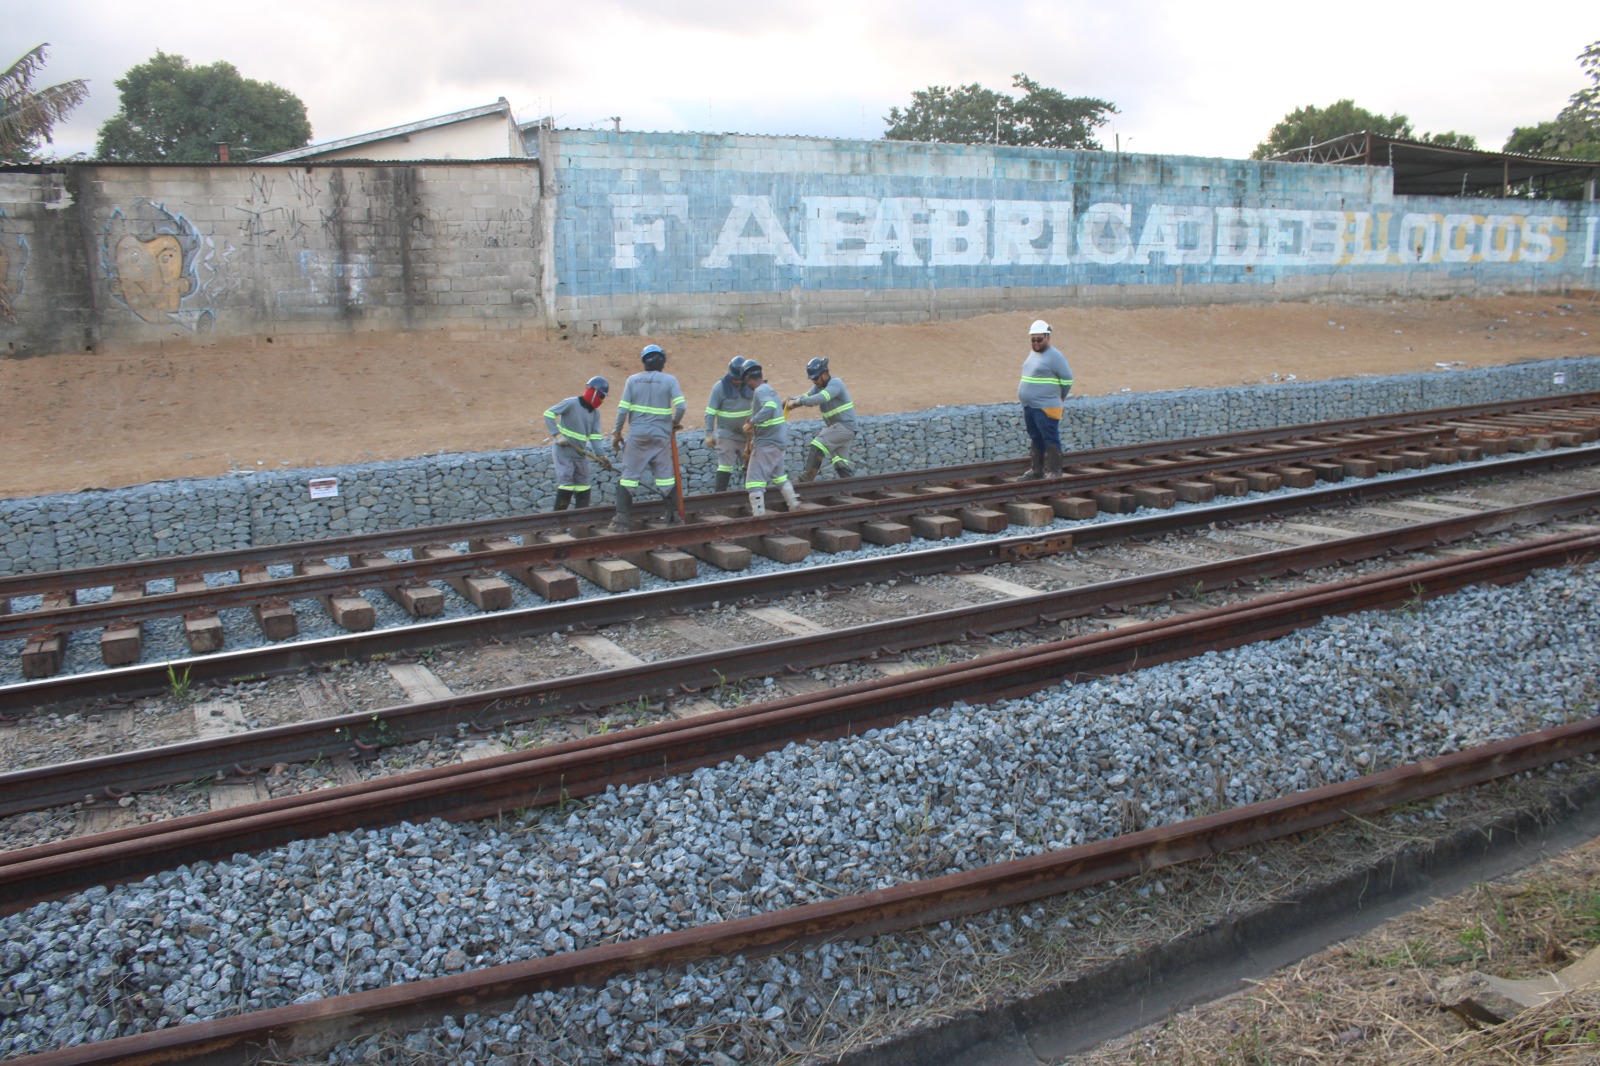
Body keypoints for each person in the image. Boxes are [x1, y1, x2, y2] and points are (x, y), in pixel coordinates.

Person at [609, 344, 687, 531]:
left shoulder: (632, 380)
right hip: (661, 436)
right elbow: (681, 406)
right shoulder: (670, 380)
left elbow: (622, 411)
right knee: (666, 478)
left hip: (637, 437)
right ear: (663, 362)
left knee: (628, 478)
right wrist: (673, 423)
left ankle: (621, 522)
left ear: (644, 362)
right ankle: (673, 519)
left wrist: (617, 432)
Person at [740, 361, 801, 516]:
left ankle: (759, 516)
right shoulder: (769, 389)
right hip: (778, 442)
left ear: (748, 378)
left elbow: (770, 407)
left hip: (767, 443)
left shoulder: (759, 391)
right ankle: (794, 505)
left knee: (754, 482)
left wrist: (753, 422)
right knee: (779, 476)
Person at [542, 376, 610, 510]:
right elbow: (548, 414)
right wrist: (557, 435)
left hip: (580, 454)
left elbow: (595, 437)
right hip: (564, 452)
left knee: (583, 486)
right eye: (601, 396)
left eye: (603, 397)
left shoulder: (595, 413)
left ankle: (581, 518)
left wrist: (601, 455)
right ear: (593, 391)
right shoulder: (571, 403)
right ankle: (559, 518)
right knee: (566, 485)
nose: (601, 400)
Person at [1017, 319, 1074, 479]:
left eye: (1039, 340)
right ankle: (1037, 470)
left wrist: (1061, 396)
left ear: (1048, 337)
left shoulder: (1055, 356)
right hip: (1030, 405)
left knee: (1050, 437)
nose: (1035, 343)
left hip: (1046, 406)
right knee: (1035, 437)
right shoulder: (1033, 353)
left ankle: (1055, 471)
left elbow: (1067, 379)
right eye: (1033, 340)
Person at [786, 356, 857, 482]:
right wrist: (790, 400)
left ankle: (807, 479)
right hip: (840, 428)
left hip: (844, 426)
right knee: (841, 464)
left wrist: (798, 402)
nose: (814, 381)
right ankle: (852, 489)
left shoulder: (836, 383)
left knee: (818, 443)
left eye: (815, 378)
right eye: (812, 379)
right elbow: (806, 396)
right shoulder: (819, 387)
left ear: (824, 374)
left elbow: (820, 398)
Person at [704, 356, 755, 491]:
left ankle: (752, 497)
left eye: (740, 379)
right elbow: (710, 412)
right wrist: (709, 433)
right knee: (725, 467)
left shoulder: (751, 385)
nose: (737, 381)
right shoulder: (720, 387)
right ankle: (719, 498)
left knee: (751, 467)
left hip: (746, 435)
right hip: (727, 434)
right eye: (735, 379)